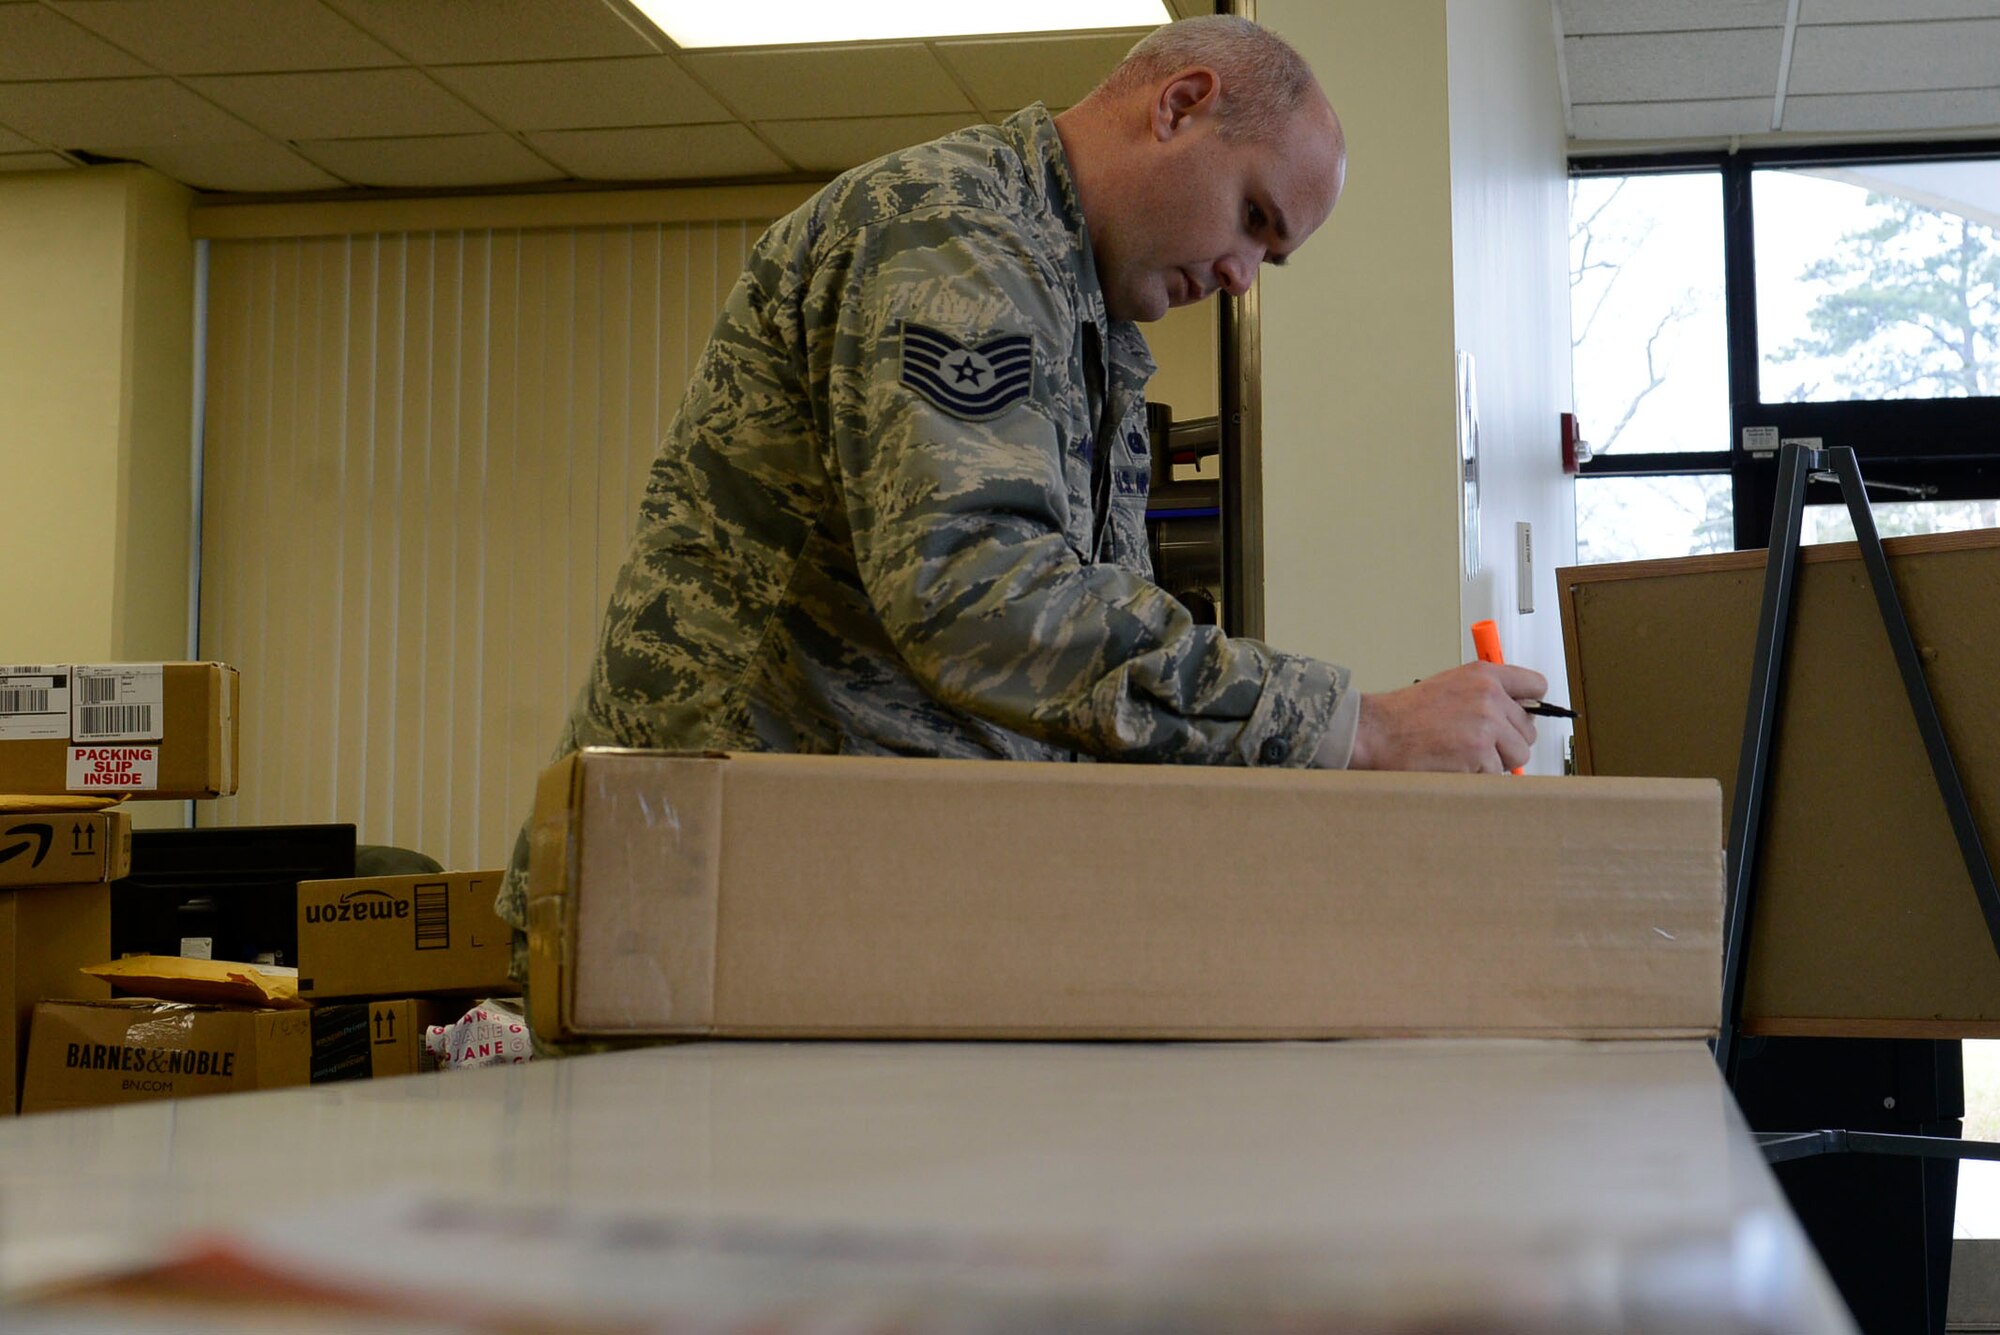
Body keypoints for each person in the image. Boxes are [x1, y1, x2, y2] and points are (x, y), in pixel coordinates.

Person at [496, 16, 1545, 952]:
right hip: (703, 880)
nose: (1238, 276)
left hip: (824, 877)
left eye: (1268, 259)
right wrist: (1358, 728)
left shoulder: (1085, 320)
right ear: (1180, 106)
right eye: (1253, 219)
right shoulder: (951, 236)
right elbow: (981, 598)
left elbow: (1073, 680)